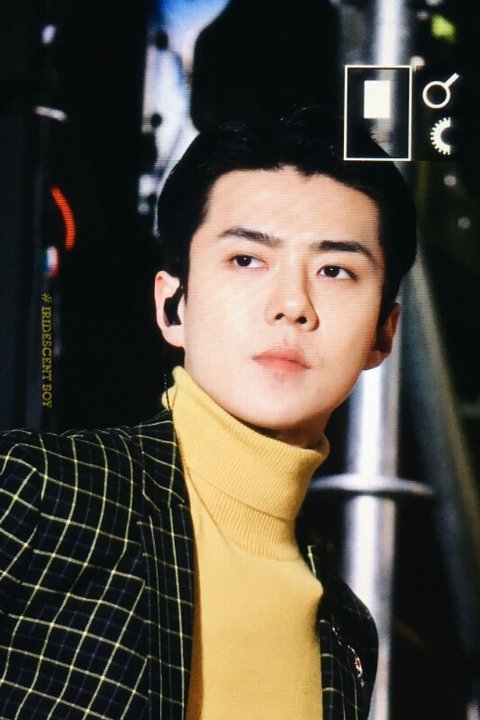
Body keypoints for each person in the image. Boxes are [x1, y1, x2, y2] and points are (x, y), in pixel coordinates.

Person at [0, 108, 416, 720]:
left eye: (335, 270)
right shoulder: (40, 493)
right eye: (247, 260)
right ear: (172, 306)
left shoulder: (347, 632)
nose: (292, 305)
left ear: (384, 332)